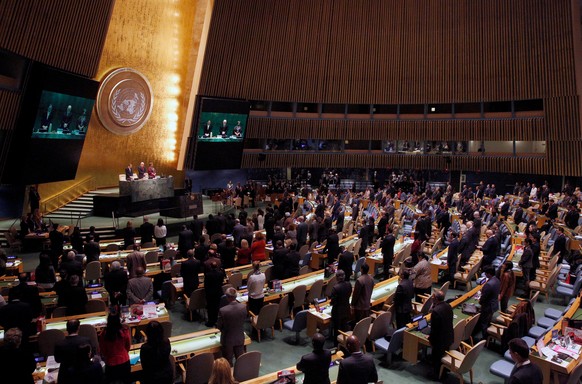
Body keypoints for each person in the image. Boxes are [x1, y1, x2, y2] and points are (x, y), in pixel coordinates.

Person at [54, 319, 92, 384]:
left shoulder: (59, 344)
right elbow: (91, 355)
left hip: (65, 376)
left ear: (67, 329)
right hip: (83, 374)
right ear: (78, 328)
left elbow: (57, 360)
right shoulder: (86, 341)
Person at [217, 287, 247, 365]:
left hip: (227, 339)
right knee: (240, 360)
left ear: (227, 297)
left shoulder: (223, 310)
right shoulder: (243, 307)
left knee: (228, 362)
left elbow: (219, 326)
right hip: (240, 336)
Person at [99, 313, 131, 384]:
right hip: (124, 361)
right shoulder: (124, 331)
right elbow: (128, 346)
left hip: (111, 363)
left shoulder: (104, 334)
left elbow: (103, 350)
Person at [429, 289, 454, 379]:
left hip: (439, 341)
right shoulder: (448, 306)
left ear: (435, 298)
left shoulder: (436, 311)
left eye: (432, 297)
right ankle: (444, 370)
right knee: (443, 353)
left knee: (436, 357)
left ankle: (436, 374)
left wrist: (430, 339)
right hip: (448, 337)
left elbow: (434, 330)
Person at [478, 265, 501, 339]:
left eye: (486, 273)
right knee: (488, 320)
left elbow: (484, 297)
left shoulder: (488, 284)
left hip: (487, 306)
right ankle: (487, 336)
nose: (485, 274)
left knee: (484, 322)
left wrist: (480, 302)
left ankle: (484, 338)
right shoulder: (497, 280)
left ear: (489, 274)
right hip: (494, 304)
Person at [330, 270, 352, 344]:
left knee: (337, 329)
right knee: (344, 326)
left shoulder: (335, 288)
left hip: (337, 312)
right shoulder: (349, 284)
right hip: (346, 309)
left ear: (336, 277)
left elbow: (333, 302)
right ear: (344, 276)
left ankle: (337, 345)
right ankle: (344, 342)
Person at [204, 261, 225, 327]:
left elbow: (206, 285)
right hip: (219, 292)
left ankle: (211, 322)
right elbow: (221, 282)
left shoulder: (208, 275)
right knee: (217, 307)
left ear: (210, 267)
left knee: (210, 308)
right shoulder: (221, 274)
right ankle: (217, 320)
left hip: (211, 294)